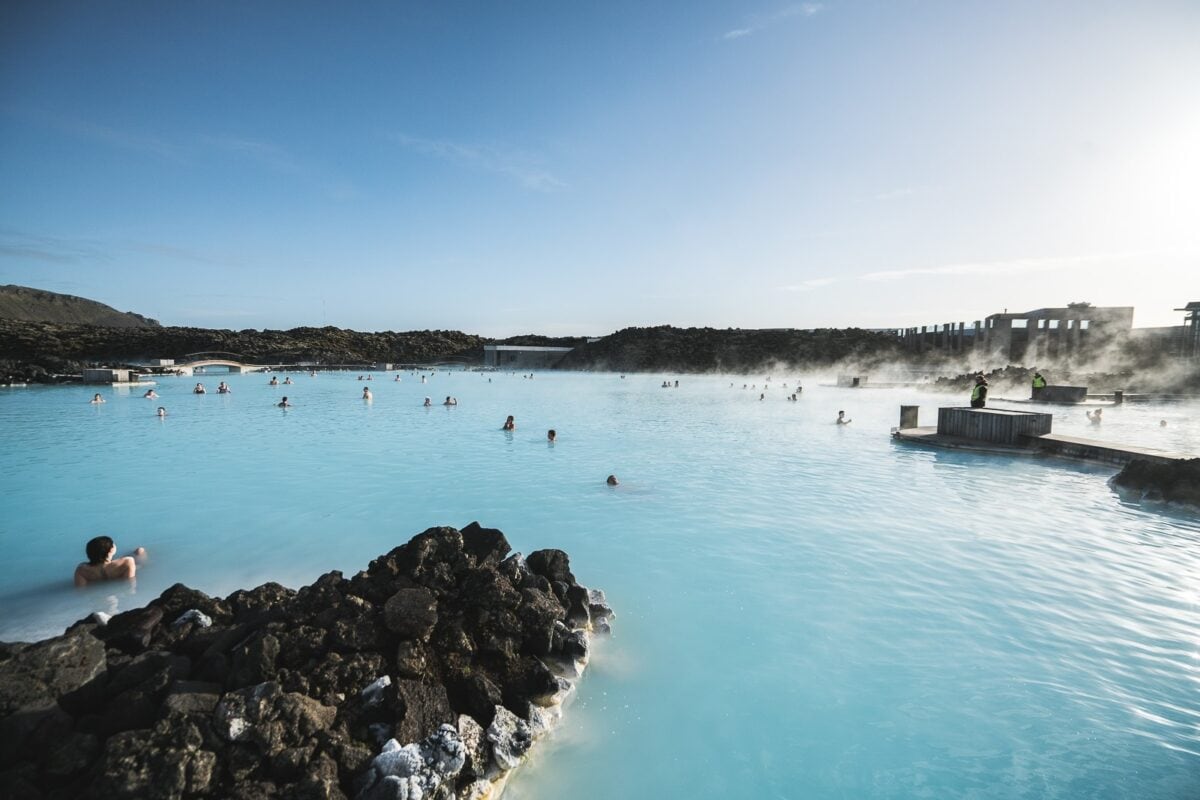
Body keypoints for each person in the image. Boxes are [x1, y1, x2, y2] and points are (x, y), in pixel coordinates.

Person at [74, 536, 146, 587]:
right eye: (113, 544)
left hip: (96, 573)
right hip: (122, 569)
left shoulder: (82, 570)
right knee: (140, 550)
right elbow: (129, 582)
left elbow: (81, 590)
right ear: (111, 550)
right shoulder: (127, 561)